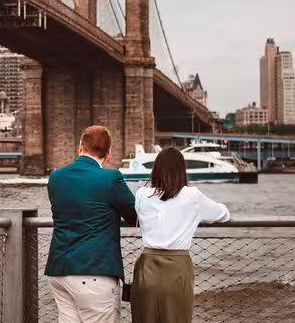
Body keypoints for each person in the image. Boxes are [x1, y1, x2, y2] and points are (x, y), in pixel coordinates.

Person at [45, 125, 137, 323]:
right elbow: (134, 215)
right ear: (109, 153)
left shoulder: (56, 177)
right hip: (95, 272)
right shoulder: (111, 178)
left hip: (60, 271)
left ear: (80, 147)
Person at [131, 147, 230, 323]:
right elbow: (223, 214)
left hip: (147, 267)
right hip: (177, 268)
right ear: (181, 171)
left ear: (156, 170)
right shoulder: (192, 196)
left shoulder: (141, 195)